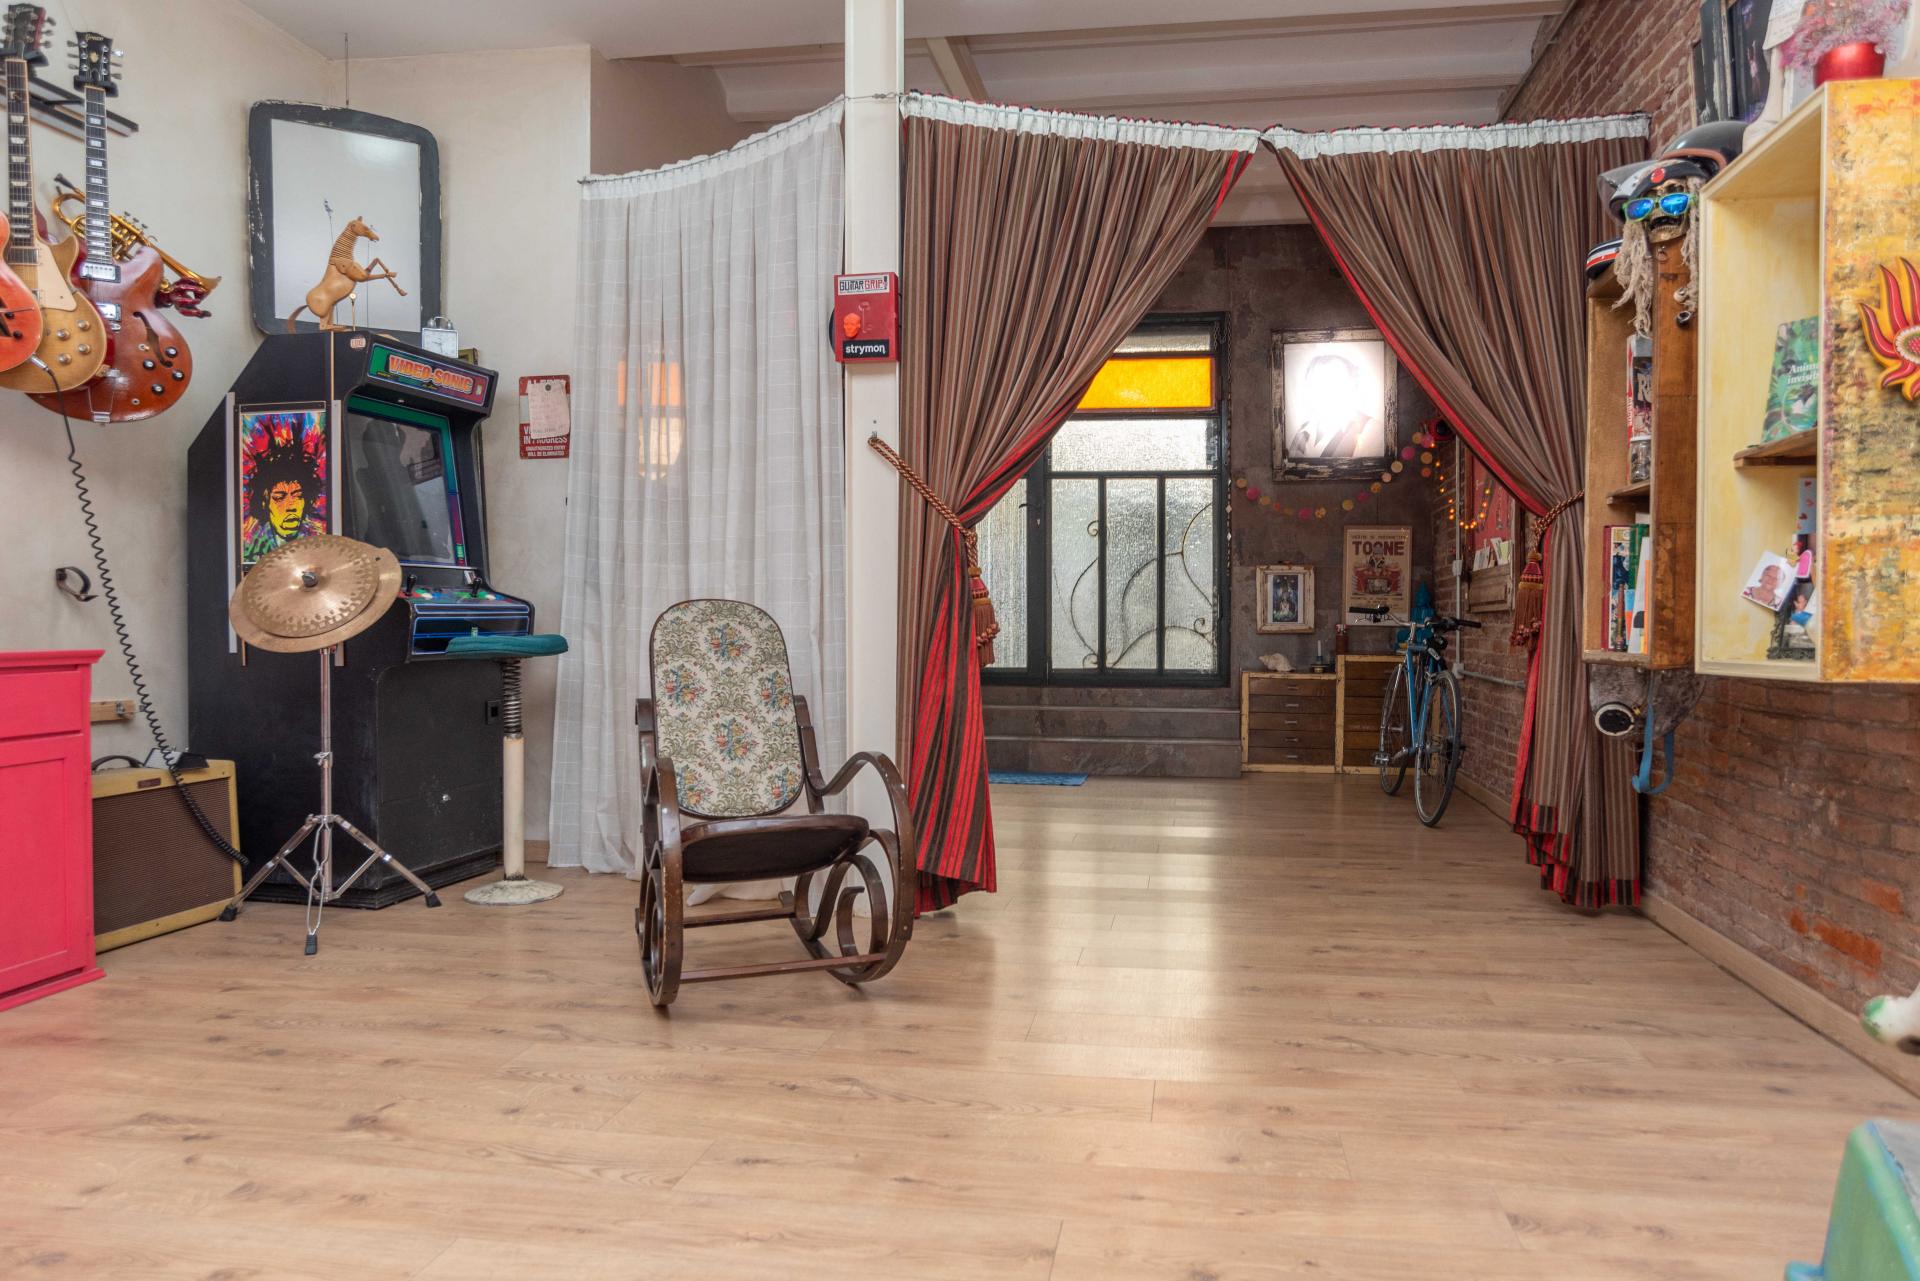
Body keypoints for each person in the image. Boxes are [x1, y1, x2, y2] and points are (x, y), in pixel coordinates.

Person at [242, 429, 327, 560]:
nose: (290, 506)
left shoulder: (320, 546)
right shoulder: (251, 551)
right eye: (279, 497)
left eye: (297, 495)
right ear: (264, 502)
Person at [1289, 352, 1382, 459]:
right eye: (1316, 381)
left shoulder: (1372, 431)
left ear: (1353, 386)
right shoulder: (1303, 429)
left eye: (1335, 380)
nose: (1324, 389)